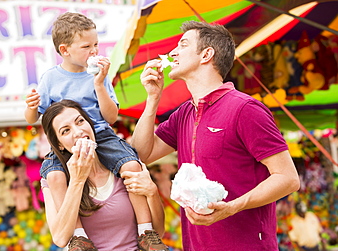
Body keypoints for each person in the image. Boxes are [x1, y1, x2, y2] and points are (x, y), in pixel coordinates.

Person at [131, 20, 300, 250]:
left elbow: (288, 178)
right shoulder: (184, 113)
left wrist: (232, 207)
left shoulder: (245, 109)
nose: (173, 52)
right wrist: (152, 100)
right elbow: (141, 153)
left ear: (206, 54)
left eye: (183, 44)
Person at [24, 12, 168, 251]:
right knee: (55, 176)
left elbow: (111, 117)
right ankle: (79, 238)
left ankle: (146, 233)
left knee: (132, 165)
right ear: (65, 50)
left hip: (101, 135)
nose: (94, 51)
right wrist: (30, 107)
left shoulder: (99, 75)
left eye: (96, 45)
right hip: (65, 147)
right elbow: (33, 118)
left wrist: (99, 84)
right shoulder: (50, 78)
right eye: (86, 46)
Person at [40, 99, 166, 251]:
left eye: (80, 122)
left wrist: (152, 193)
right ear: (59, 144)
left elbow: (158, 232)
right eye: (65, 131)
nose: (78, 132)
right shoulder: (54, 180)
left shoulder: (125, 169)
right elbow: (60, 238)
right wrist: (77, 181)